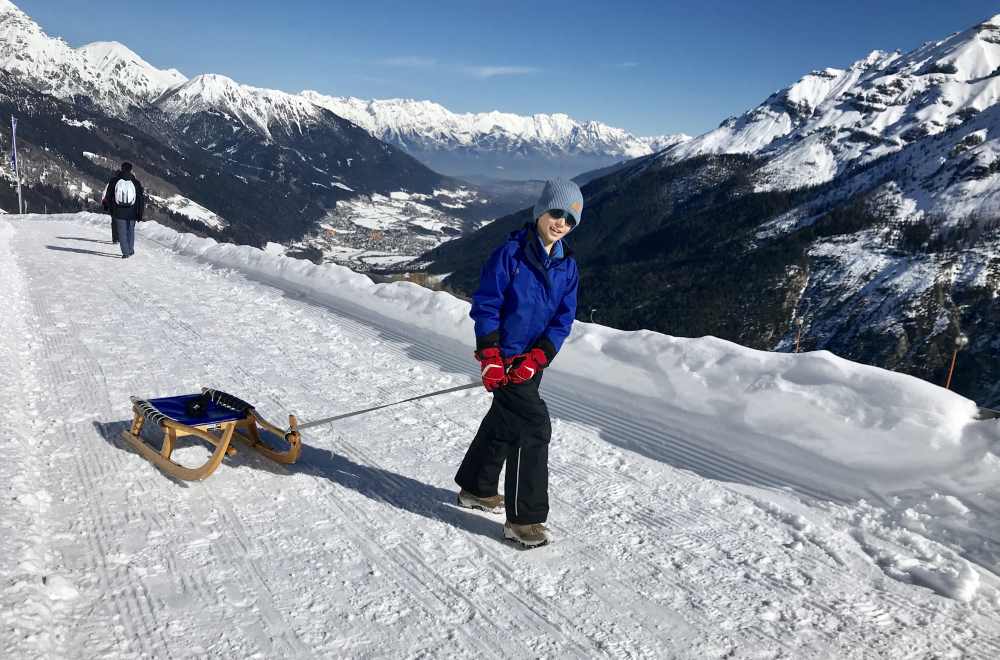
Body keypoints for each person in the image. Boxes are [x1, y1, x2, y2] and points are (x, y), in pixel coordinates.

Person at [455, 178, 583, 548]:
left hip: (531, 362)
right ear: (540, 211)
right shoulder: (509, 254)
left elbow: (563, 318)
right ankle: (523, 520)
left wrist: (540, 356)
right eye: (555, 213)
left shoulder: (567, 265)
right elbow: (487, 306)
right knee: (534, 427)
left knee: (505, 420)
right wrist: (491, 356)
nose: (560, 223)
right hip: (505, 358)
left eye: (569, 220)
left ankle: (477, 489)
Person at [101, 162, 144, 258]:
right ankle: (131, 249)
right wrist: (140, 213)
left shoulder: (114, 181)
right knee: (130, 231)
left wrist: (107, 206)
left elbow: (108, 195)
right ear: (131, 170)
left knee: (122, 232)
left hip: (119, 211)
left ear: (121, 169)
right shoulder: (135, 183)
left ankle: (125, 252)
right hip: (132, 211)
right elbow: (140, 199)